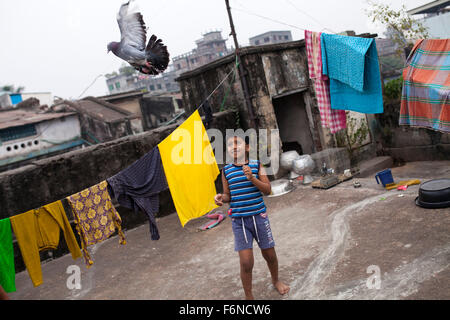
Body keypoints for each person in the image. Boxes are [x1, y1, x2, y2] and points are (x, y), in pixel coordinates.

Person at [214, 135, 290, 300]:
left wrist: (252, 178)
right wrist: (221, 197)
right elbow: (228, 195)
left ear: (247, 147)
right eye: (229, 145)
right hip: (240, 221)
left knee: (269, 254)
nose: (234, 147)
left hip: (259, 218)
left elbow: (268, 190)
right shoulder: (226, 171)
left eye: (237, 143)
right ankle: (249, 297)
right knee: (246, 262)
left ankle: (276, 280)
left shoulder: (257, 165)